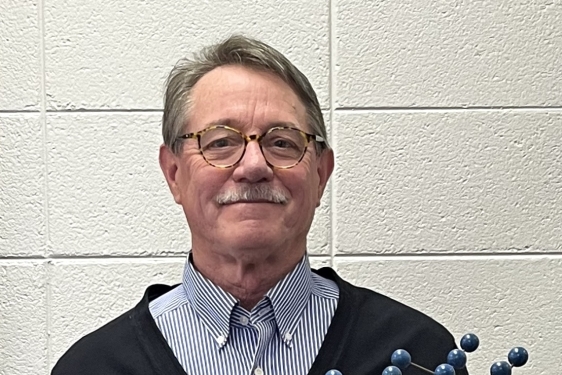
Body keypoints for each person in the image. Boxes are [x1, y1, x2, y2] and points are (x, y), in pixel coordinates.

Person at [52, 35, 468, 375]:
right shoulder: (91, 367)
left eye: (282, 143)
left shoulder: (417, 355)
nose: (253, 166)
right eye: (220, 142)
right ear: (174, 173)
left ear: (320, 174)